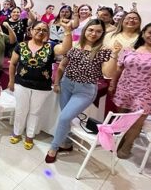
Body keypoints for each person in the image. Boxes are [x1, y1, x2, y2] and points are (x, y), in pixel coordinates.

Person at [45, 19, 121, 163]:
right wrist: (56, 83)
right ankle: (65, 143)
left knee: (64, 117)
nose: (94, 33)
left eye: (98, 31)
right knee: (64, 116)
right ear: (85, 30)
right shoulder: (75, 45)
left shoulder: (103, 51)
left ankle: (53, 147)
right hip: (66, 84)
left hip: (85, 90)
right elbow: (62, 66)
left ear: (102, 33)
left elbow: (108, 73)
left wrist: (115, 55)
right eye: (91, 30)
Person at [8, 20, 72, 150]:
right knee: (21, 110)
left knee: (35, 112)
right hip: (21, 84)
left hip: (42, 87)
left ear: (47, 33)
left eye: (44, 30)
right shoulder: (20, 46)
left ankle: (30, 135)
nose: (40, 32)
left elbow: (65, 48)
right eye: (37, 29)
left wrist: (68, 31)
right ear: (31, 30)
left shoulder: (51, 46)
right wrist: (11, 80)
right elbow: (13, 64)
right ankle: (17, 132)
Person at [110, 22, 151, 159]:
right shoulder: (129, 50)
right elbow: (119, 69)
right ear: (143, 33)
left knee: (137, 121)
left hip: (149, 93)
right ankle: (118, 142)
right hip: (126, 88)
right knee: (122, 118)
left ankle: (127, 146)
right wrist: (113, 84)